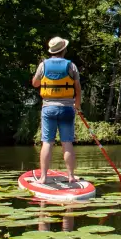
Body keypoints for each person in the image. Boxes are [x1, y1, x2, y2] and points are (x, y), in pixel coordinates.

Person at [31, 37, 81, 184]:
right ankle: (71, 176)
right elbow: (78, 89)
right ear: (64, 50)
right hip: (67, 109)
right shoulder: (71, 66)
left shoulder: (43, 65)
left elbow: (35, 84)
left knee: (47, 143)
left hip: (48, 108)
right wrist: (77, 106)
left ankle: (43, 177)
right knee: (67, 143)